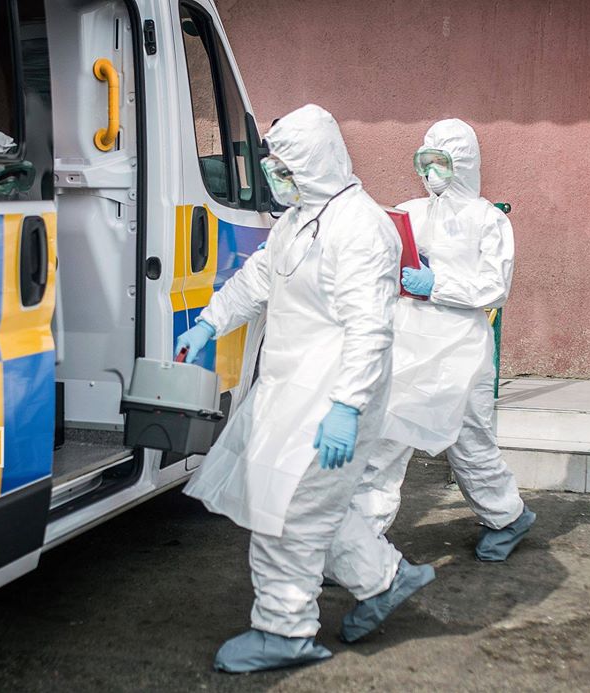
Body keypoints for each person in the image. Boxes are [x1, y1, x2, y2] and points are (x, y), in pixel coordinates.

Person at [178, 104, 435, 674]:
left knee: (288, 514)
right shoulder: (298, 219)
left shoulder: (361, 228)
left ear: (315, 163)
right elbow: (258, 278)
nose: (275, 177)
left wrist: (346, 407)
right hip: (291, 392)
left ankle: (284, 630)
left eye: (284, 167)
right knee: (317, 506)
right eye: (273, 166)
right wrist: (210, 322)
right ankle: (386, 578)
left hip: (334, 398)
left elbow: (369, 330)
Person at [323, 118, 535, 643]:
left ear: (463, 164)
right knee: (386, 439)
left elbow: (494, 285)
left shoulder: (488, 221)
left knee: (470, 442)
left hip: (461, 349)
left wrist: (437, 283)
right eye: (426, 162)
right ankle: (357, 548)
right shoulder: (410, 212)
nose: (431, 172)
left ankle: (506, 516)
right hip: (412, 344)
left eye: (441, 162)